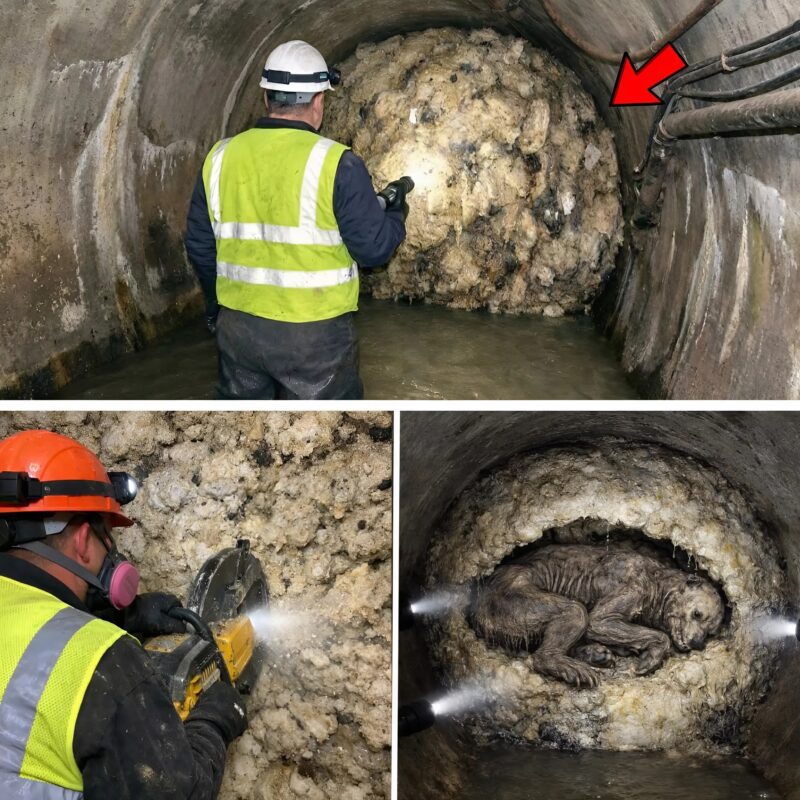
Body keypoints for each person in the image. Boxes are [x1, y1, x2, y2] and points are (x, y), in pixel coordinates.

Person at [0, 429, 247, 799]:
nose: (111, 552)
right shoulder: (102, 661)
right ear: (84, 540)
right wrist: (215, 719)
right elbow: (177, 793)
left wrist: (124, 616)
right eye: (107, 537)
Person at [185, 40, 407, 400]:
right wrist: (396, 213)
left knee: (247, 422)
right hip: (314, 338)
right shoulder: (337, 163)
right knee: (319, 423)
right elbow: (373, 250)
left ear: (265, 98)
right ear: (318, 101)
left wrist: (217, 308)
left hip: (238, 329)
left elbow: (199, 245)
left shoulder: (220, 157)